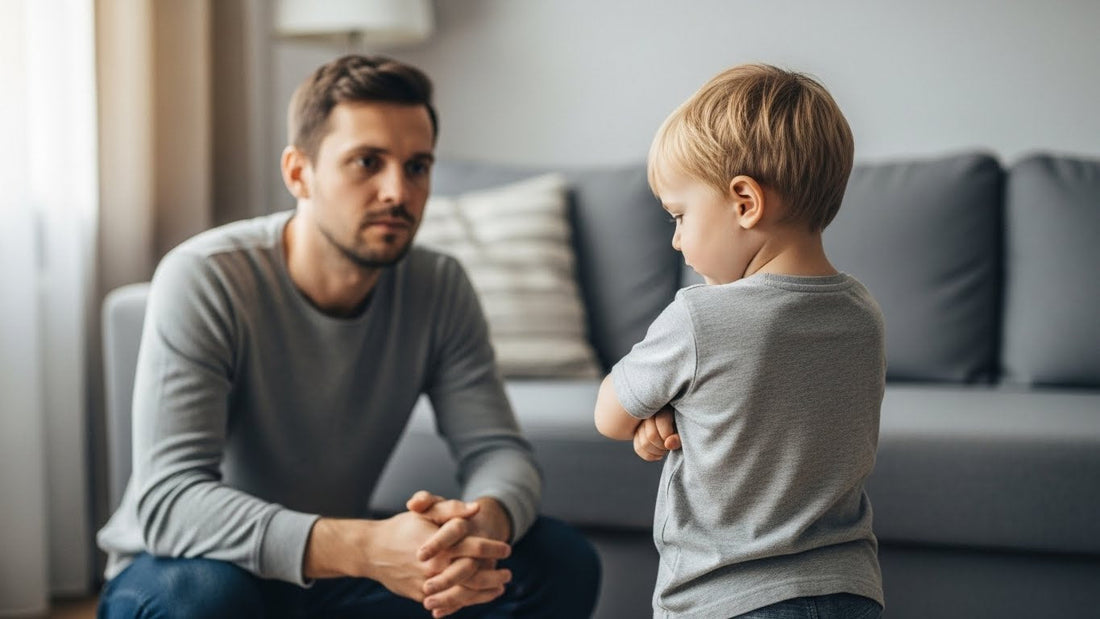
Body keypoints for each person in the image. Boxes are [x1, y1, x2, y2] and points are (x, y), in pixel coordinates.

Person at [96, 54, 600, 619]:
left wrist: (478, 523)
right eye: (367, 161)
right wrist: (365, 548)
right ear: (298, 173)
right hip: (186, 566)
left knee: (557, 560)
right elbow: (170, 502)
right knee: (208, 602)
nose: (397, 192)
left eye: (417, 166)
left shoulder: (439, 286)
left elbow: (498, 450)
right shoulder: (207, 276)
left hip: (330, 580)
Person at [594, 64, 885, 619]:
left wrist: (653, 404)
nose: (677, 239)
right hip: (850, 590)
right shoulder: (863, 314)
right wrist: (680, 406)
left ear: (745, 202)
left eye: (679, 215)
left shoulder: (701, 317)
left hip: (728, 600)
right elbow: (768, 409)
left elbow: (610, 415)